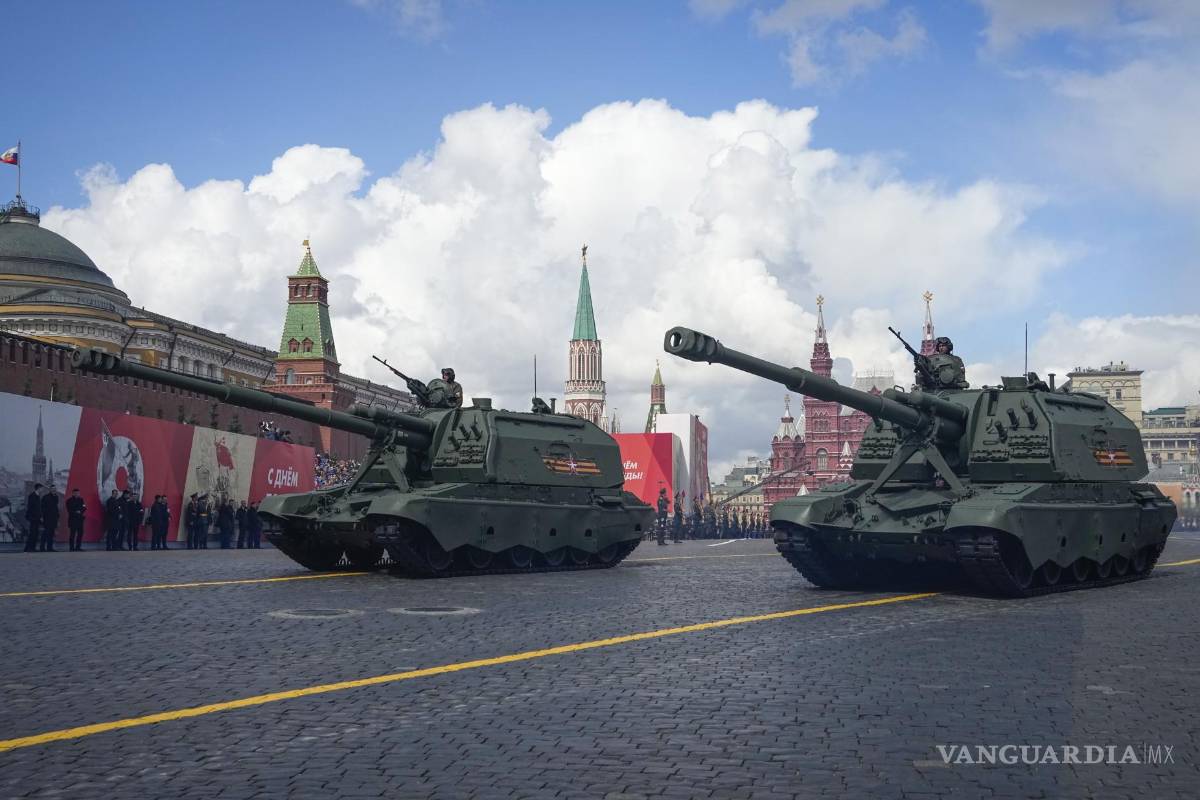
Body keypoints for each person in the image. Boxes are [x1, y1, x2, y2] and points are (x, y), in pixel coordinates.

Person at [39, 485, 60, 551]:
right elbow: (42, 507)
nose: (54, 490)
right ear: (50, 490)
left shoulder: (56, 497)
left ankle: (49, 547)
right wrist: (42, 516)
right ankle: (42, 547)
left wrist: (57, 517)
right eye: (52, 489)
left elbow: (56, 507)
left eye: (54, 489)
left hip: (54, 518)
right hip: (47, 518)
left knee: (51, 533)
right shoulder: (45, 497)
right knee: (46, 533)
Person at [23, 483, 43, 553]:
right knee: (32, 533)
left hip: (37, 518)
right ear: (38, 488)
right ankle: (28, 548)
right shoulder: (32, 496)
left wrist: (40, 516)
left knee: (35, 533)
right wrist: (36, 517)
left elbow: (38, 508)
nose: (42, 489)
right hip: (33, 518)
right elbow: (31, 507)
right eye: (41, 488)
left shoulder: (37, 496)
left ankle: (32, 548)